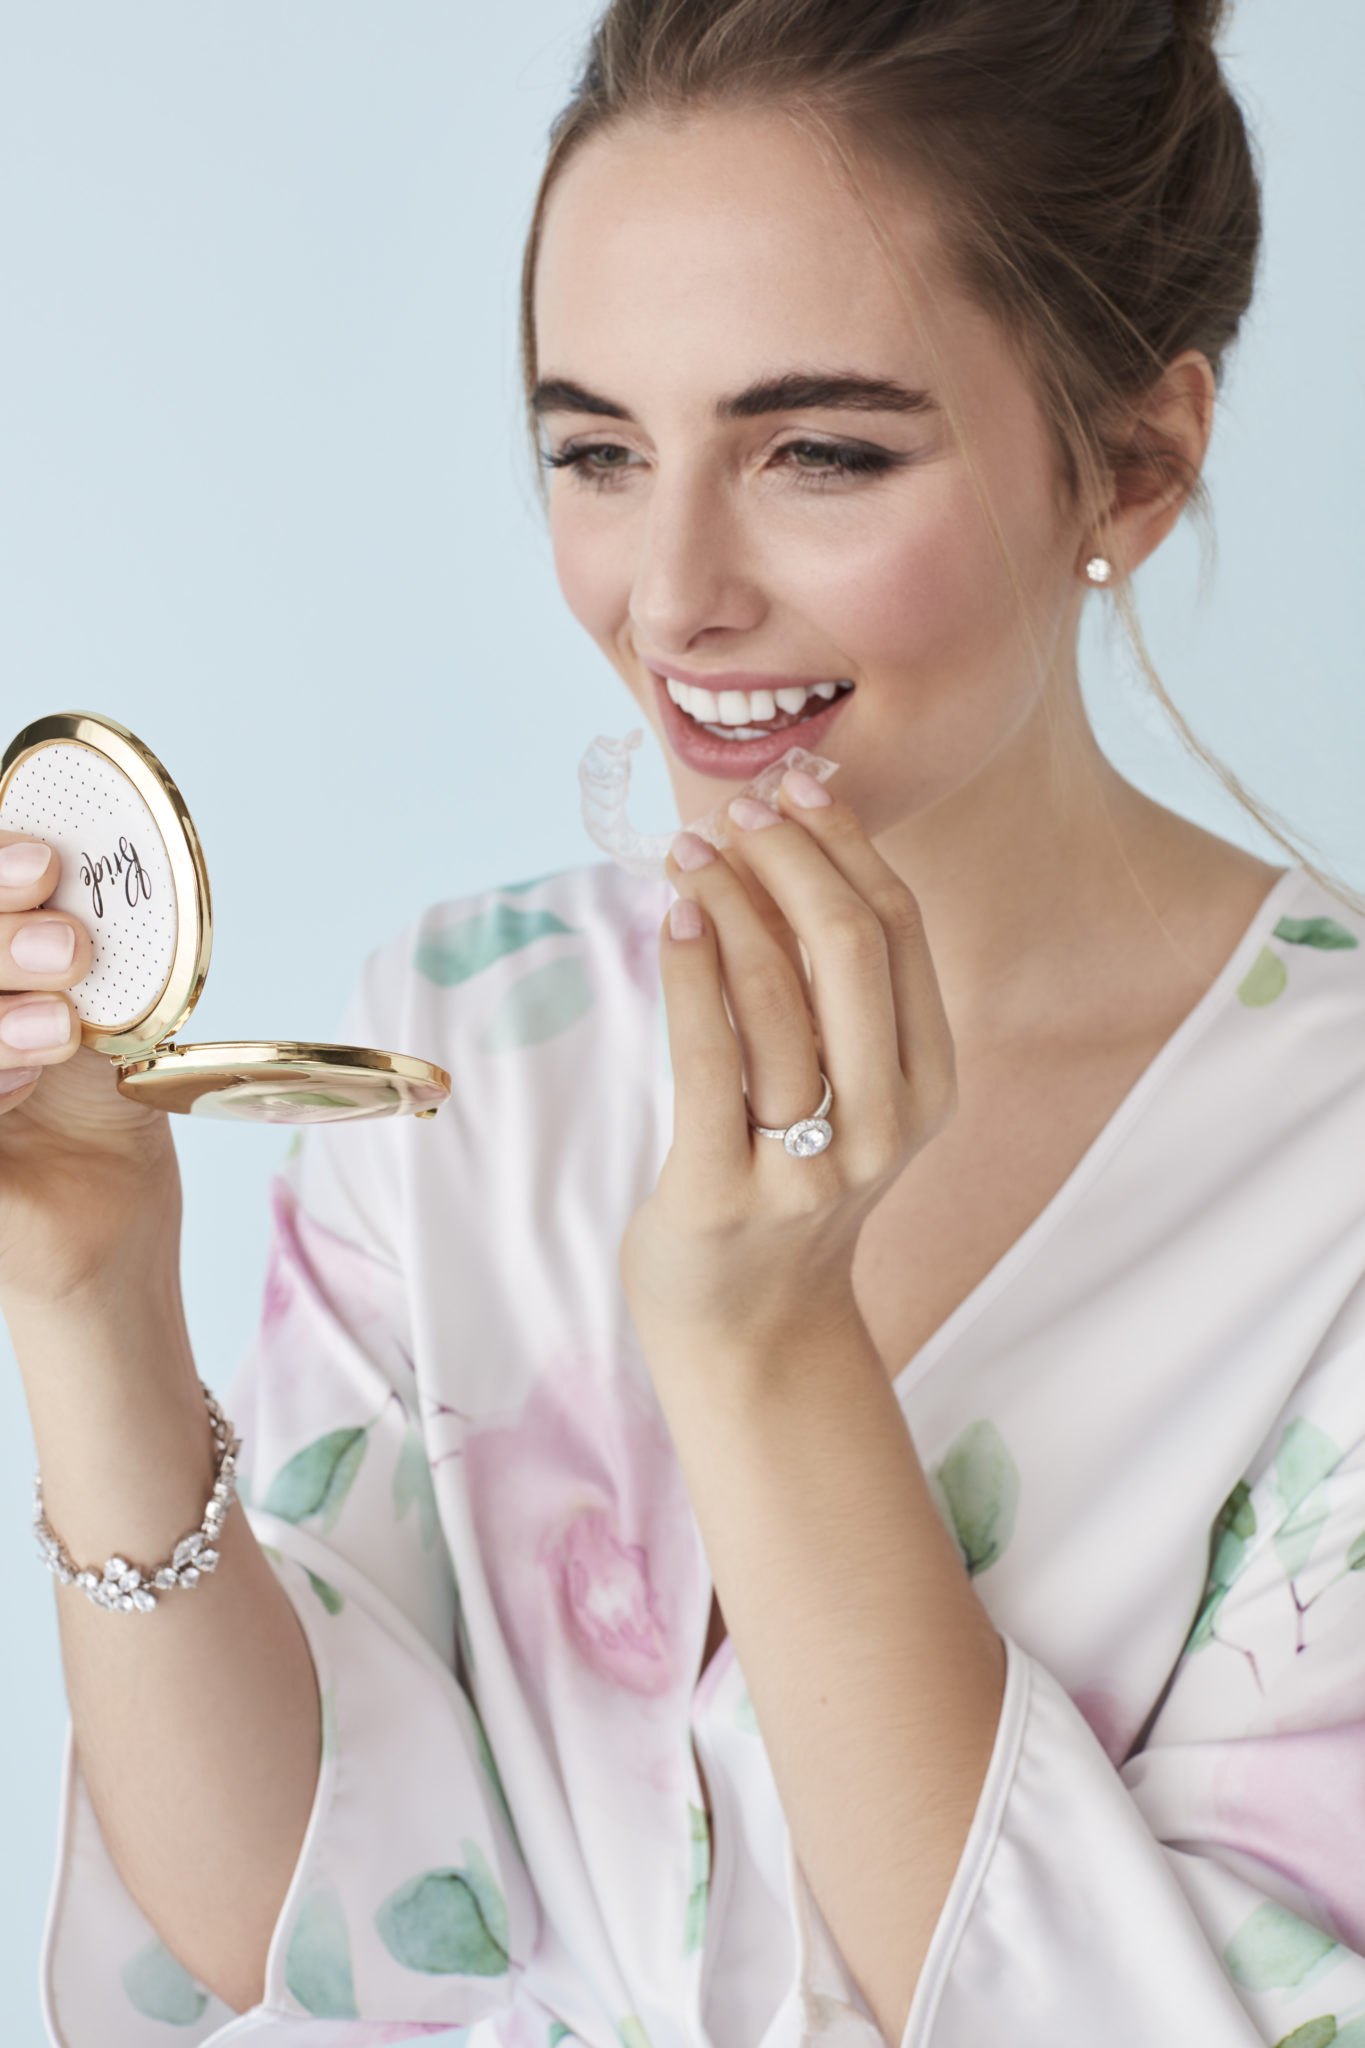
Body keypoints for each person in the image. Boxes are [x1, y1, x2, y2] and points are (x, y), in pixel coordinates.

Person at [8, 1, 1364, 2043]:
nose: (667, 595)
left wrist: (762, 1352)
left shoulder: (1325, 1177)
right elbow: (315, 1924)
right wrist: (89, 1295)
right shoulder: (471, 1045)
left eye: (817, 450)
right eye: (593, 452)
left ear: (1136, 459)